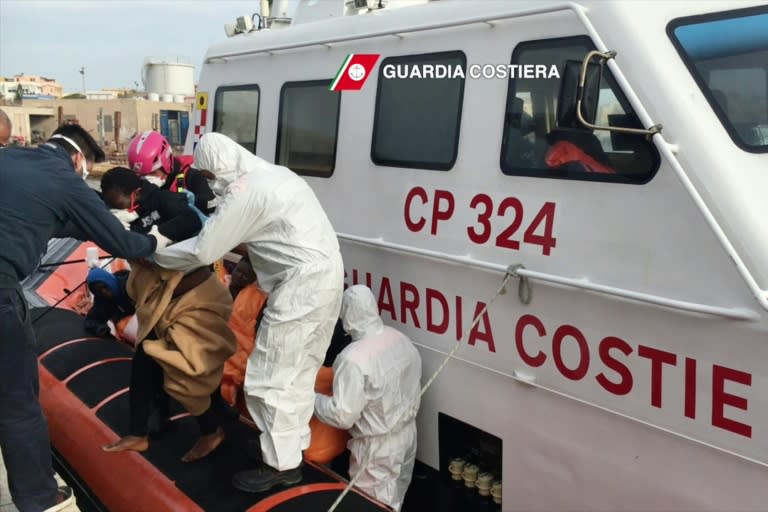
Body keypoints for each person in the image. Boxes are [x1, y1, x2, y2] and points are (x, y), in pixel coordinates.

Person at [154, 132, 344, 493]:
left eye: (208, 176)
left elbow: (202, 252)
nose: (210, 184)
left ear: (218, 166)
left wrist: (154, 251)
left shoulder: (246, 189)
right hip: (326, 278)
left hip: (300, 287)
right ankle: (288, 447)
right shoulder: (279, 175)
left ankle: (281, 466)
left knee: (269, 377)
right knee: (298, 372)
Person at [0, 123, 167, 512]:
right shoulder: (64, 179)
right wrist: (157, 241)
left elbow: (54, 219)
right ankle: (42, 500)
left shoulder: (13, 158)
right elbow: (124, 244)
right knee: (18, 406)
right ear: (79, 159)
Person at [314, 285, 422, 511]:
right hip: (407, 435)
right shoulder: (400, 338)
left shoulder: (353, 358)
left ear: (346, 316)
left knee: (370, 504)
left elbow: (341, 415)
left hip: (376, 449)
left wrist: (309, 398)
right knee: (396, 498)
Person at [100, 166, 202, 242]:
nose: (115, 209)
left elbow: (192, 220)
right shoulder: (121, 216)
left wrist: (156, 237)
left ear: (136, 194)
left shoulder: (163, 199)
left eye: (118, 205)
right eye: (110, 205)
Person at [127, 130, 215, 215]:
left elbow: (212, 203)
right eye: (141, 175)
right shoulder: (138, 187)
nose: (146, 179)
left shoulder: (190, 175)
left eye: (152, 173)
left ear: (166, 164)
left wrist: (190, 200)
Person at [83, 267, 134, 338]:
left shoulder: (130, 283)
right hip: (131, 327)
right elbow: (92, 320)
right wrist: (100, 329)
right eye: (98, 291)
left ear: (109, 280)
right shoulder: (102, 300)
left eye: (104, 287)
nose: (103, 291)